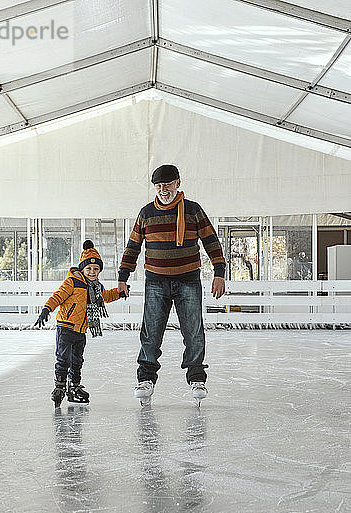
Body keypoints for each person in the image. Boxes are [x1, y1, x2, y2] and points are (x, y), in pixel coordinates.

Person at [117, 164, 226, 404]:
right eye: (158, 185)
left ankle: (197, 377)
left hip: (188, 279)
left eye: (167, 184)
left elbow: (211, 241)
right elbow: (133, 246)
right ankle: (145, 377)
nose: (163, 189)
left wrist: (219, 272)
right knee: (151, 332)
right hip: (156, 281)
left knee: (193, 330)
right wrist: (123, 276)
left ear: (178, 183)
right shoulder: (146, 213)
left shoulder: (193, 210)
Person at [35, 240, 127, 407]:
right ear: (82, 269)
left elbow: (105, 297)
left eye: (96, 269)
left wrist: (119, 293)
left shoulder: (97, 286)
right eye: (89, 268)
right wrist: (46, 309)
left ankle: (74, 387)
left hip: (81, 330)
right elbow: (58, 296)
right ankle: (59, 387)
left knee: (77, 361)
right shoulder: (73, 281)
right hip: (66, 327)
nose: (92, 272)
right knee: (63, 359)